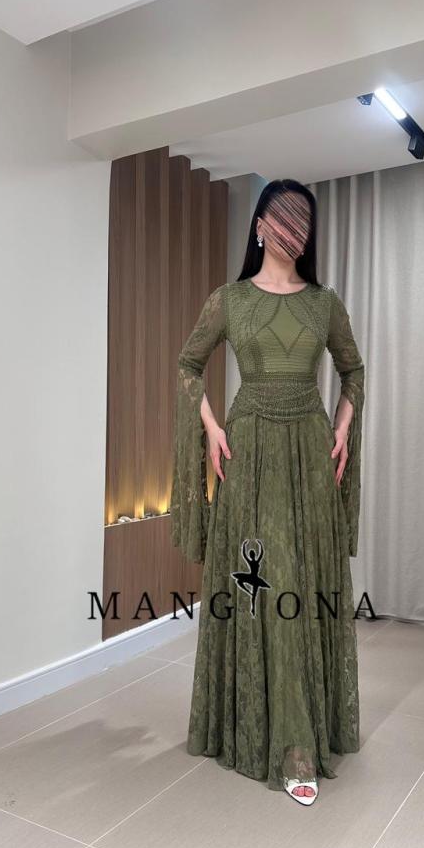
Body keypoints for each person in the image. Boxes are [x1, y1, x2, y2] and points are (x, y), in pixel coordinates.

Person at [170, 179, 365, 806]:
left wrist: (342, 426)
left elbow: (353, 371)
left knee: (301, 587)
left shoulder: (325, 304)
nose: (292, 231)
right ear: (259, 226)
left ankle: (300, 736)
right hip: (248, 453)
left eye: (302, 220)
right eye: (281, 218)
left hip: (309, 453)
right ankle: (282, 741)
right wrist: (209, 426)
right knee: (265, 586)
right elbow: (188, 365)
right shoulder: (229, 300)